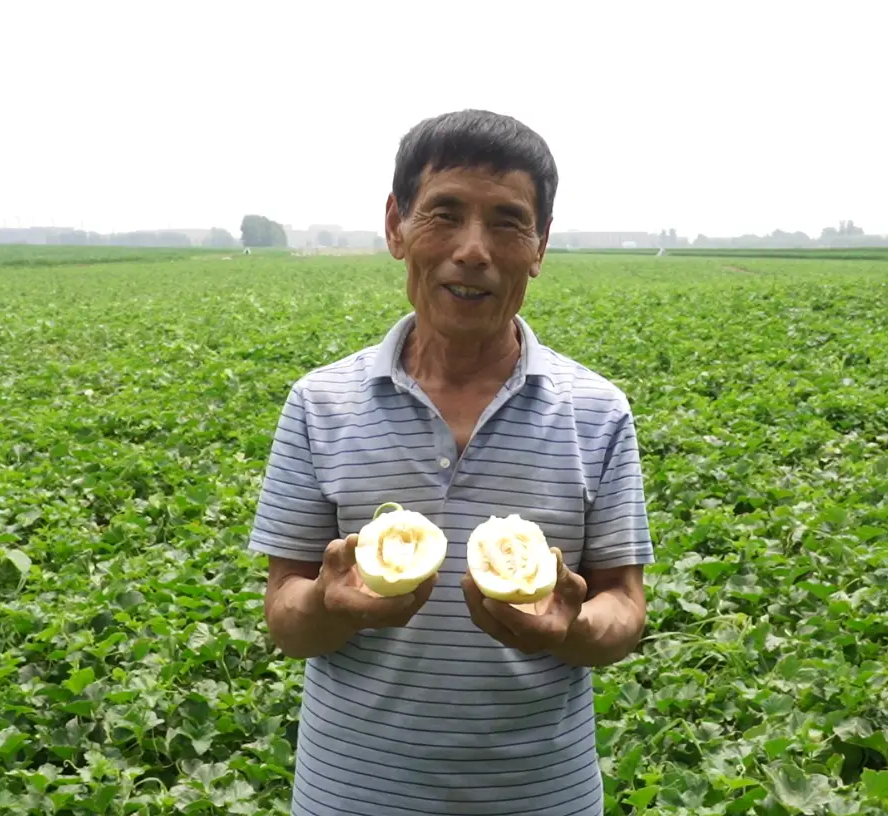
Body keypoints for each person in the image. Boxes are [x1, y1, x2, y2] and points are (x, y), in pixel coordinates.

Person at [248, 109, 654, 816]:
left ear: (540, 246)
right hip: (352, 798)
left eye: (507, 221)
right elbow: (286, 618)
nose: (474, 250)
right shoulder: (320, 403)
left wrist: (573, 627)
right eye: (445, 213)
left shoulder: (598, 410)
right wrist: (327, 603)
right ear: (396, 226)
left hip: (541, 798)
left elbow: (624, 603)